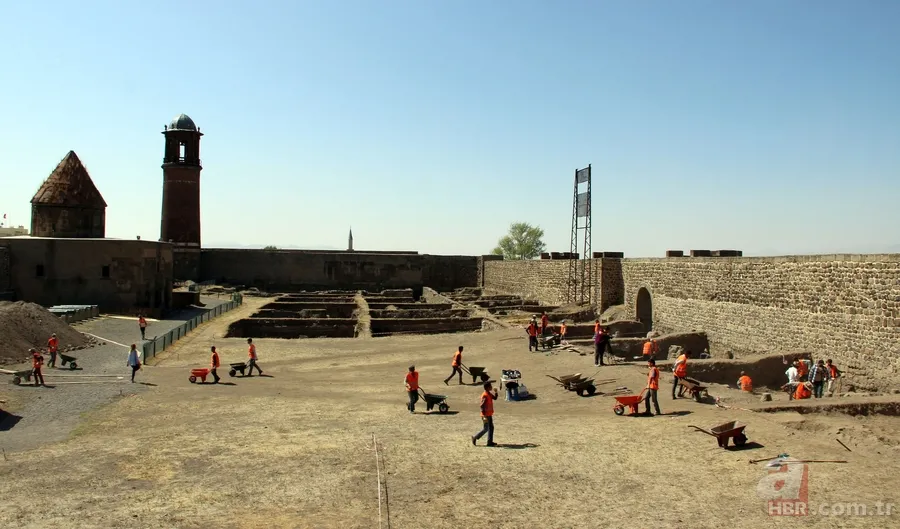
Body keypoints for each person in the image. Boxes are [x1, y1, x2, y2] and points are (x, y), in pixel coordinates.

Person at [471, 381, 498, 446]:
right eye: (490, 386)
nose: (491, 387)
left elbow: (495, 398)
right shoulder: (485, 395)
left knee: (486, 428)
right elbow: (481, 405)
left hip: (488, 414)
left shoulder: (488, 393)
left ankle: (475, 437)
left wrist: (496, 392)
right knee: (490, 428)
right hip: (486, 415)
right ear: (487, 387)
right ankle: (489, 442)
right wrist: (484, 415)